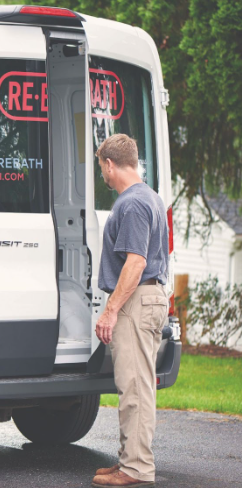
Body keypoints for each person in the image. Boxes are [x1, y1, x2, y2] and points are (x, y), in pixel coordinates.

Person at [91, 134, 169, 488]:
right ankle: (130, 461)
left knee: (134, 387)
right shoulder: (149, 197)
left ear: (110, 164)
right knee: (135, 385)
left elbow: (135, 263)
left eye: (102, 167)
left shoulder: (133, 204)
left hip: (137, 300)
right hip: (148, 298)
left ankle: (136, 469)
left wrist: (110, 311)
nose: (103, 175)